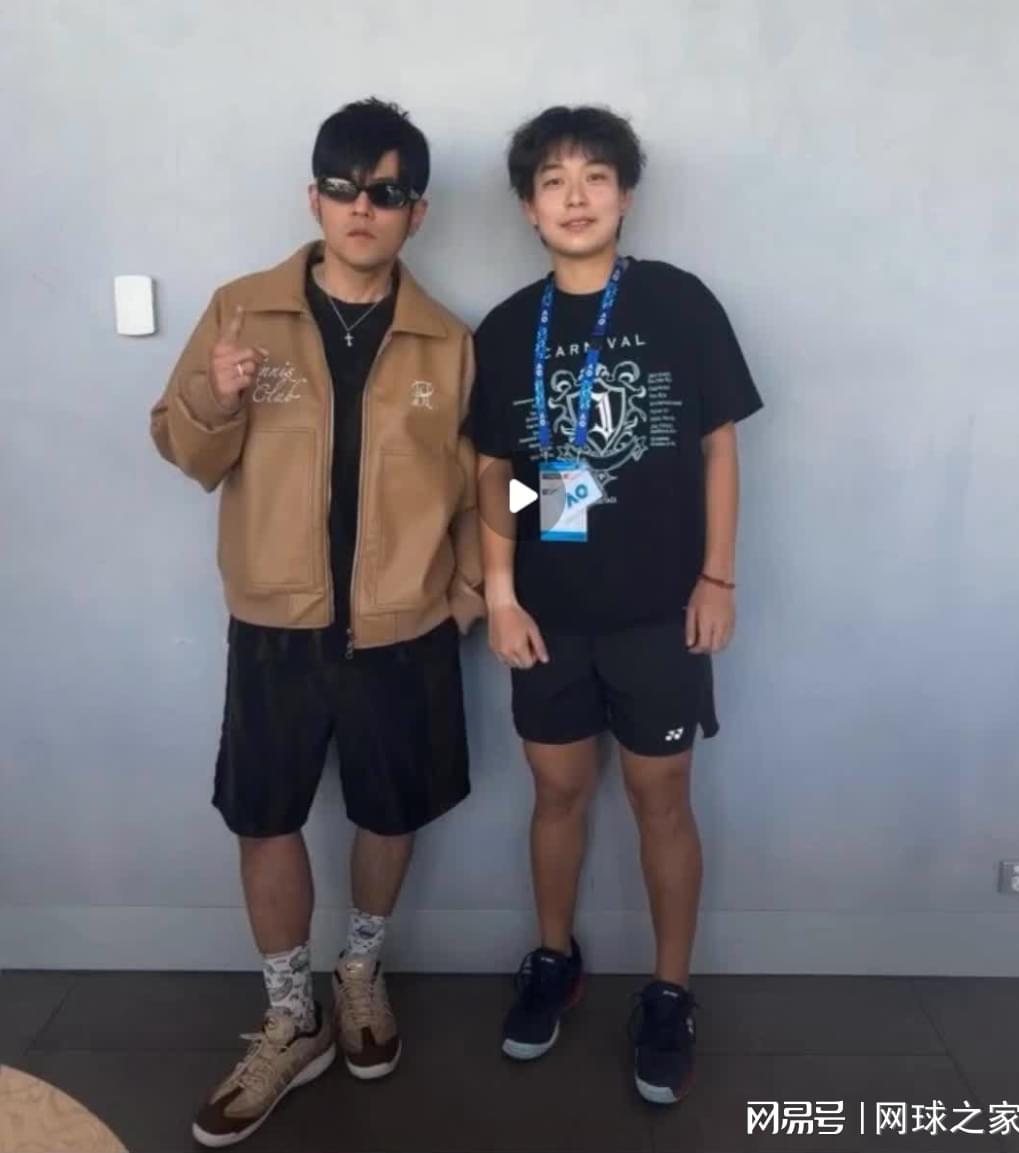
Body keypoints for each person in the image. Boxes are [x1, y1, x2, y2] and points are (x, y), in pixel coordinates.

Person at [150, 97, 483, 1147]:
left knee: (393, 810)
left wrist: (470, 594)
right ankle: (291, 1014)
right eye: (342, 187)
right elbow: (185, 452)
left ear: (416, 212)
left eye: (385, 191)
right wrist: (216, 397)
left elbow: (496, 486)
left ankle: (359, 971)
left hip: (404, 630)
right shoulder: (242, 312)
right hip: (276, 625)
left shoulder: (448, 342)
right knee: (266, 815)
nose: (360, 207)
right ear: (314, 198)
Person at [471, 104, 763, 1105]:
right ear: (528, 207)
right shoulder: (508, 328)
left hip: (660, 615)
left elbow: (718, 446)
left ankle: (670, 991)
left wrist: (717, 576)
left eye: (595, 176)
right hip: (549, 616)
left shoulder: (679, 303)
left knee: (661, 799)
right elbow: (499, 471)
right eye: (553, 180)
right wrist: (501, 593)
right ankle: (554, 958)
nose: (576, 196)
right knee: (556, 793)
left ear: (626, 195)